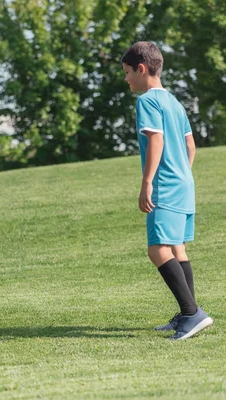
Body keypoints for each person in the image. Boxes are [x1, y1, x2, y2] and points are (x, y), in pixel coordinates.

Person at [121, 41, 213, 340]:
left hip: (166, 185)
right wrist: (182, 173)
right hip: (184, 183)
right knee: (177, 247)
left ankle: (191, 314)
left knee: (157, 249)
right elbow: (190, 145)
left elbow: (156, 142)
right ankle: (189, 313)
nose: (126, 79)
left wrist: (147, 182)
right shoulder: (174, 102)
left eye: (127, 72)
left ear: (142, 68)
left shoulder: (147, 102)